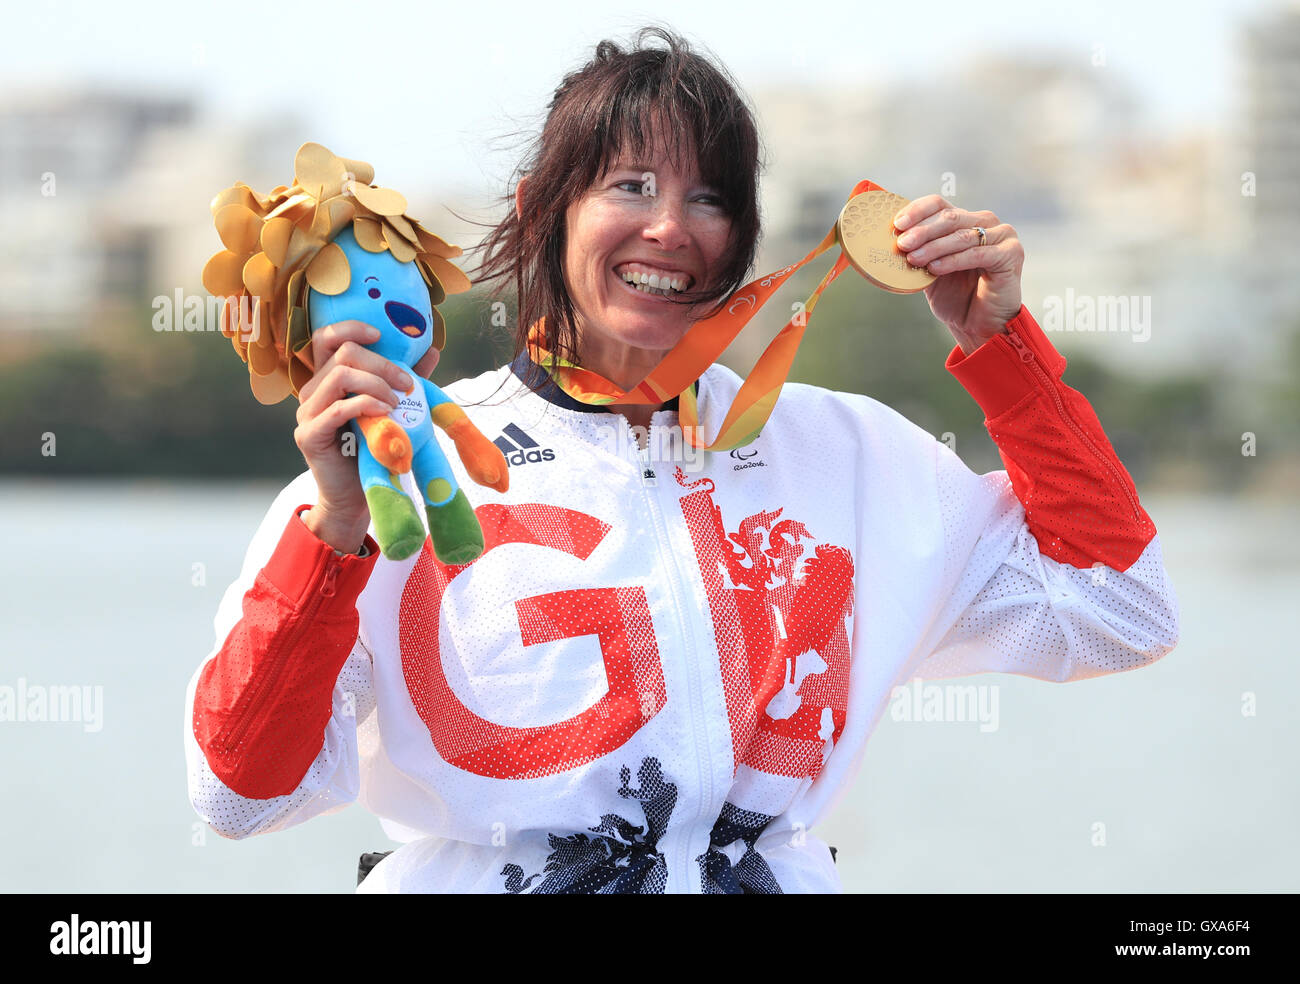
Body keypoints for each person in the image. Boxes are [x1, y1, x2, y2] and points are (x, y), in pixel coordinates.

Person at [184, 26, 1180, 894]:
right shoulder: (386, 476)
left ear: (742, 237)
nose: (670, 226)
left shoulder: (848, 453)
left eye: (709, 196)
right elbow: (236, 797)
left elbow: (1117, 612)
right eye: (629, 184)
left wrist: (1001, 348)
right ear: (542, 207)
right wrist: (336, 537)